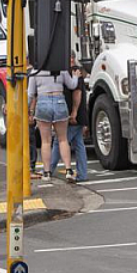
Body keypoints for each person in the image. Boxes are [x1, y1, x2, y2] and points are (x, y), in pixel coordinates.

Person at [28, 68, 79, 181]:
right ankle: (68, 170)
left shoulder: (35, 71)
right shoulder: (61, 68)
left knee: (46, 141)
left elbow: (30, 93)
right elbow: (72, 85)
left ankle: (46, 172)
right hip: (59, 101)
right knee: (63, 139)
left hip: (42, 102)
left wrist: (27, 109)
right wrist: (75, 76)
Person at [50, 53, 89, 183]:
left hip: (72, 114)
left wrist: (74, 112)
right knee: (78, 144)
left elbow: (77, 93)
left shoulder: (73, 72)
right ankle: (82, 174)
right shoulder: (77, 71)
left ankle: (49, 169)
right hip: (80, 113)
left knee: (59, 141)